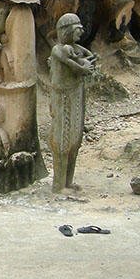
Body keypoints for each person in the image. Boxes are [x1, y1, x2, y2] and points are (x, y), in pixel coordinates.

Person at [48, 13, 97, 192]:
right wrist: (83, 65)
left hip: (75, 95)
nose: (81, 33)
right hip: (62, 98)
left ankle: (68, 182)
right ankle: (59, 185)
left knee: (74, 141)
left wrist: (86, 58)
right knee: (62, 142)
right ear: (67, 31)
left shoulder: (73, 48)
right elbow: (74, 65)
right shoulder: (58, 50)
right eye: (77, 30)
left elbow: (88, 55)